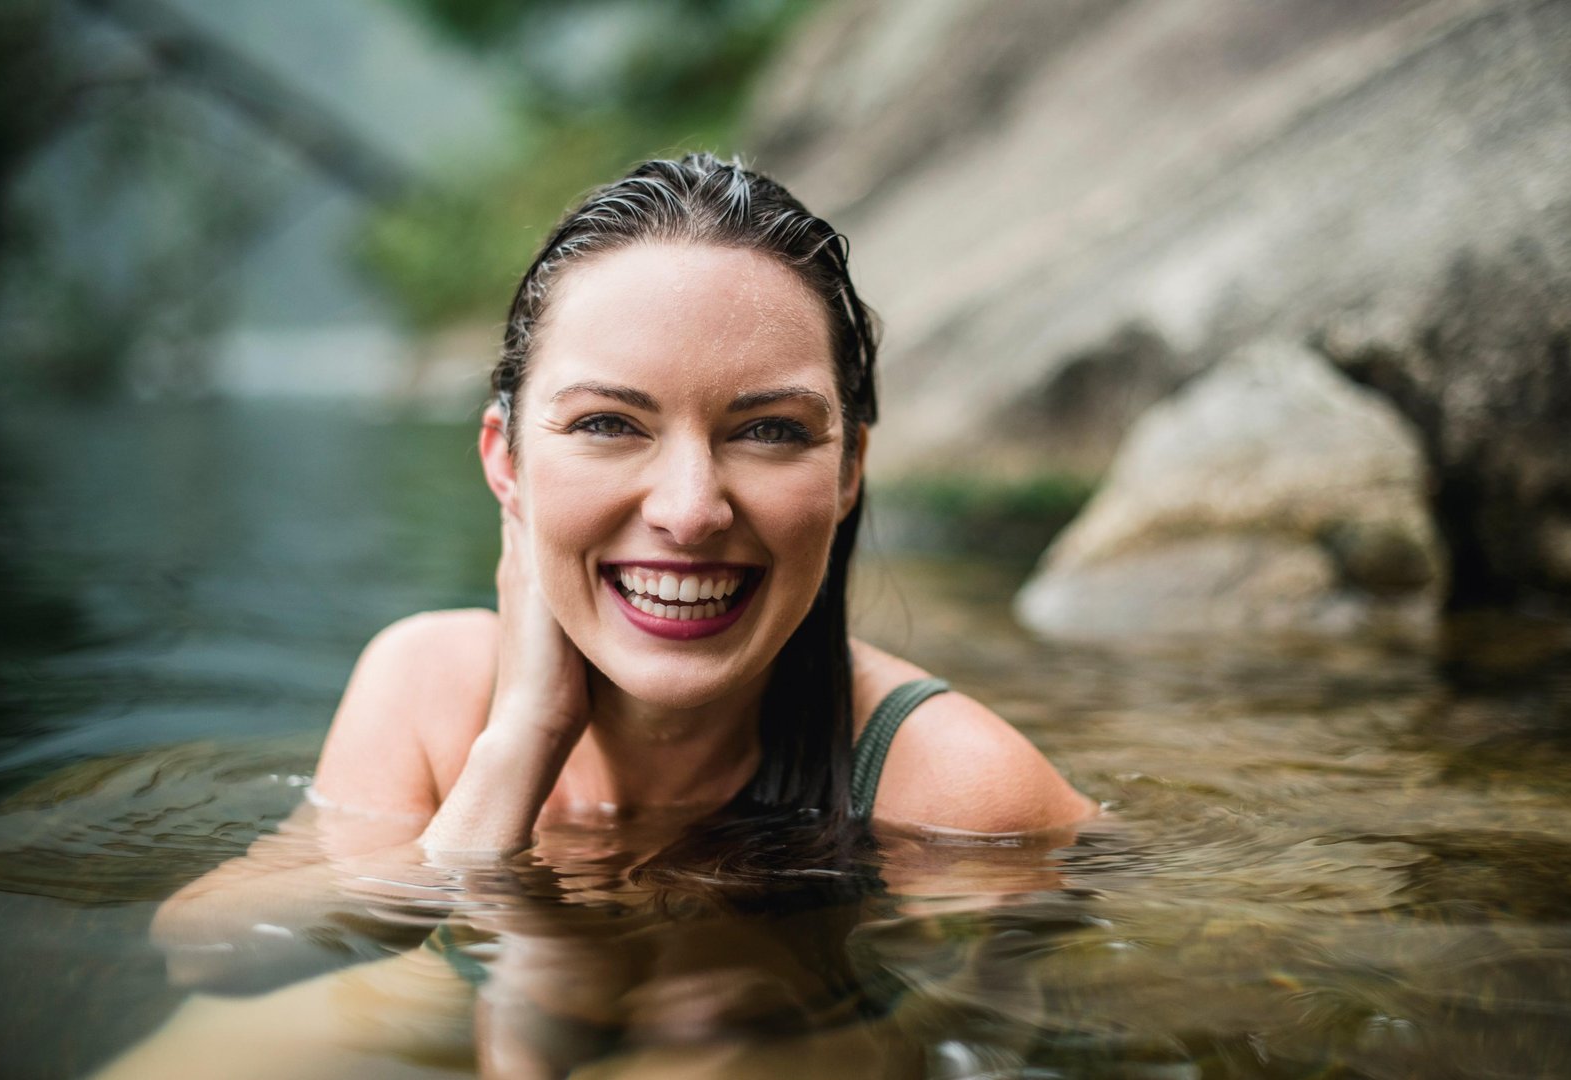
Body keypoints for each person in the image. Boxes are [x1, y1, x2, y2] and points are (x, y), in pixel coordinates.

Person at [112, 152, 1097, 1079]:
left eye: (768, 430)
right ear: (506, 461)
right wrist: (520, 746)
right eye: (606, 424)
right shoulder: (431, 689)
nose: (689, 507)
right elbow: (212, 951)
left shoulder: (953, 787)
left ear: (847, 471)